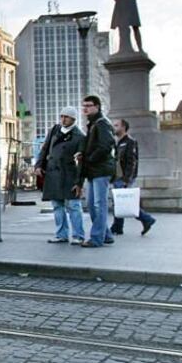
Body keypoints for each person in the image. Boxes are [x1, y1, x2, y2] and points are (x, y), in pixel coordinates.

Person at [34, 107, 85, 244]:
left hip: (69, 175)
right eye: (62, 116)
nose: (63, 119)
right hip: (53, 173)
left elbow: (81, 162)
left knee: (73, 206)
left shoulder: (79, 136)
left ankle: (78, 235)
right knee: (57, 205)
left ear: (73, 119)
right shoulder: (55, 130)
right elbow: (45, 149)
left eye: (66, 117)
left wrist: (79, 182)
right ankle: (61, 234)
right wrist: (38, 165)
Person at [75, 95, 116, 248]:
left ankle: (97, 238)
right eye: (83, 105)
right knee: (92, 205)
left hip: (100, 169)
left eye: (89, 105)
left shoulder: (102, 124)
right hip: (93, 170)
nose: (85, 108)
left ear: (97, 107)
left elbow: (106, 145)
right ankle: (106, 235)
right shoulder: (93, 124)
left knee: (99, 204)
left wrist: (89, 158)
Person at [110, 118, 156, 236]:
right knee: (119, 202)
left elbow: (132, 161)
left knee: (126, 203)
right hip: (117, 176)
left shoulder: (130, 141)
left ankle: (147, 219)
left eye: (116, 125)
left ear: (123, 127)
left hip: (124, 177)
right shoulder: (118, 142)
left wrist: (127, 179)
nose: (113, 128)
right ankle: (118, 227)